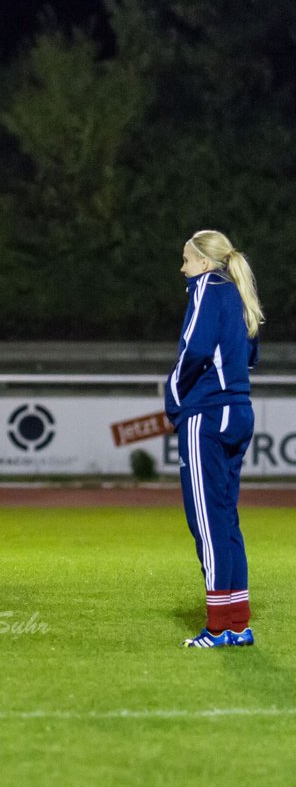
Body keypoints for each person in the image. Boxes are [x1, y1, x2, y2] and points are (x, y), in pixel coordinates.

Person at [167, 231, 263, 648]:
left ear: (204, 263)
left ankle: (220, 626)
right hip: (239, 411)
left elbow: (195, 348)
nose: (182, 268)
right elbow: (251, 355)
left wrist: (172, 396)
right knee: (226, 519)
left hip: (206, 413)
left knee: (205, 522)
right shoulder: (239, 292)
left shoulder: (208, 286)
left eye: (186, 260)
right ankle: (238, 623)